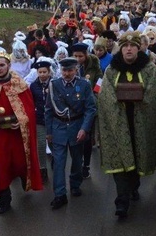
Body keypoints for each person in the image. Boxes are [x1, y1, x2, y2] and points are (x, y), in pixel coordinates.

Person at [97, 31, 156, 219]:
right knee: (121, 159)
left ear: (139, 48)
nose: (129, 49)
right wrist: (118, 104)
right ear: (121, 49)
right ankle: (121, 201)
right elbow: (105, 95)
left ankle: (133, 186)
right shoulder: (112, 70)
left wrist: (141, 100)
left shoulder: (149, 69)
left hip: (142, 121)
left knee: (137, 157)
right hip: (118, 122)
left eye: (132, 46)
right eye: (125, 46)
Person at [0, 45, 43, 214]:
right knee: (1, 165)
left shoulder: (19, 83)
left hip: (17, 133)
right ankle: (4, 198)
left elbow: (29, 109)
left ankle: (25, 179)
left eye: (2, 65)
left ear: (8, 65)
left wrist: (21, 121)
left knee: (21, 162)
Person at [45, 57, 97, 209]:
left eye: (70, 70)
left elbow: (90, 108)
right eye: (64, 70)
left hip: (76, 126)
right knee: (59, 162)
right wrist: (49, 132)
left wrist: (84, 129)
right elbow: (48, 109)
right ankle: (60, 194)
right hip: (59, 127)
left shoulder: (84, 85)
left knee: (76, 159)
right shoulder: (54, 84)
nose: (66, 73)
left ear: (76, 70)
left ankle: (75, 183)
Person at [70, 42, 103, 180]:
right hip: (75, 106)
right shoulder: (71, 66)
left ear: (86, 55)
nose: (78, 59)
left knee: (87, 137)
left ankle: (86, 165)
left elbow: (100, 81)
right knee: (76, 136)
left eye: (80, 56)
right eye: (75, 56)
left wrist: (94, 95)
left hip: (90, 104)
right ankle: (78, 162)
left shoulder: (94, 65)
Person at [29, 57, 54, 182]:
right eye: (40, 72)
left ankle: (55, 161)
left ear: (49, 72)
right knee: (41, 144)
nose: (42, 74)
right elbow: (31, 101)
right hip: (39, 119)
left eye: (45, 72)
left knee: (53, 143)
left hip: (54, 119)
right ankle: (42, 168)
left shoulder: (55, 83)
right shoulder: (33, 86)